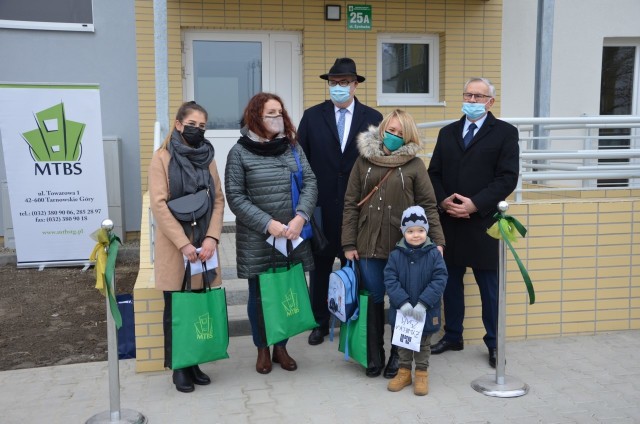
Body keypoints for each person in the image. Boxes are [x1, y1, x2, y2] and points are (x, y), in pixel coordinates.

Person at [341, 109, 446, 378]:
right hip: (367, 244)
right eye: (391, 130)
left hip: (404, 248)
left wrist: (438, 241)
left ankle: (399, 357)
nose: (394, 136)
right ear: (382, 129)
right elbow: (351, 204)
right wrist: (348, 242)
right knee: (374, 299)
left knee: (402, 301)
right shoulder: (363, 161)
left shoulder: (414, 165)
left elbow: (428, 206)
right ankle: (374, 355)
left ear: (408, 136)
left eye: (401, 133)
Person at [427, 77, 520, 368]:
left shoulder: (505, 133)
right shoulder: (448, 132)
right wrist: (443, 200)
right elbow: (434, 173)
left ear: (490, 102)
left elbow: (507, 177)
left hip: (483, 223)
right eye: (468, 94)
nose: (472, 100)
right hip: (450, 221)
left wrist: (475, 204)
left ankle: (494, 343)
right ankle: (453, 335)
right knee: (450, 284)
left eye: (479, 96)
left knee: (489, 288)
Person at [225, 92, 318, 375]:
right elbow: (235, 197)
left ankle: (281, 346)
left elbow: (310, 182)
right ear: (255, 117)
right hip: (259, 237)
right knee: (259, 295)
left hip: (291, 234)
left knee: (286, 290)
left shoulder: (292, 147)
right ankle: (262, 348)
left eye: (280, 112)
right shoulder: (239, 152)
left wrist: (301, 216)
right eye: (271, 113)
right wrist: (268, 224)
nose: (278, 117)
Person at [298, 58, 383, 348]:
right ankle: (319, 323)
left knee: (355, 268)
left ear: (355, 84)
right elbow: (300, 162)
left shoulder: (373, 118)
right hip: (320, 207)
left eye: (344, 82)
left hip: (358, 209)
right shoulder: (312, 117)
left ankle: (352, 322)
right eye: (334, 83)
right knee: (319, 269)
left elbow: (378, 162)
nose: (338, 87)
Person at [148, 101, 225, 393]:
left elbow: (218, 199)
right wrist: (183, 243)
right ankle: (179, 367)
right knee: (177, 309)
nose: (197, 130)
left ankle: (195, 362)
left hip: (203, 246)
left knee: (198, 308)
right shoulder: (162, 158)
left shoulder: (208, 158)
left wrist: (211, 238)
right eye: (192, 124)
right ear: (179, 124)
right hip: (176, 248)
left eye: (202, 126)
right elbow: (158, 205)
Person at [384, 206, 448, 396]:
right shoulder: (395, 256)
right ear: (404, 232)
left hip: (425, 310)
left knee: (423, 343)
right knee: (403, 343)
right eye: (410, 231)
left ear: (426, 231)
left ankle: (421, 373)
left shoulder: (434, 254)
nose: (416, 235)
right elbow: (390, 279)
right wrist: (402, 302)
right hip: (402, 311)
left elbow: (440, 279)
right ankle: (404, 372)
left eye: (420, 230)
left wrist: (424, 303)